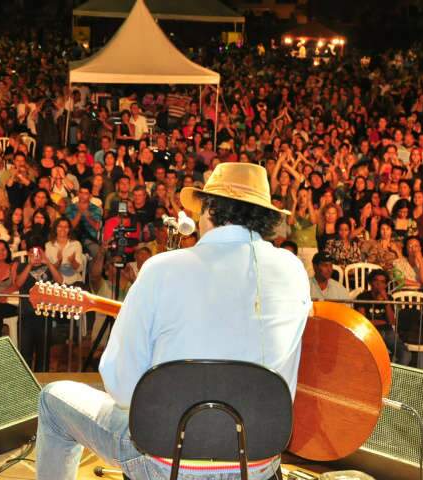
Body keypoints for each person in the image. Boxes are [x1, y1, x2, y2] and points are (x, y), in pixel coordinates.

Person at [36, 162, 311, 480]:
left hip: (165, 463)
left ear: (209, 210)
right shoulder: (292, 270)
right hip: (258, 462)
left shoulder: (160, 269)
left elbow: (122, 387)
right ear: (264, 216)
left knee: (52, 398)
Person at [14, 235, 65, 372]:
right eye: (32, 252)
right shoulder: (22, 266)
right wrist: (30, 264)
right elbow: (18, 283)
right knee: (25, 354)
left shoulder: (48, 266)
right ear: (28, 253)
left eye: (38, 252)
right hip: (26, 315)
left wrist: (47, 262)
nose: (36, 255)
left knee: (43, 355)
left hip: (45, 317)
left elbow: (60, 281)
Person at [356, 270, 410, 364]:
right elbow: (363, 321)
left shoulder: (388, 298)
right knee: (374, 358)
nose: (378, 284)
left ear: (385, 285)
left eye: (382, 282)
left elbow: (392, 321)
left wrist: (386, 301)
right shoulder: (362, 297)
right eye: (376, 281)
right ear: (370, 282)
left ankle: (393, 377)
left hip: (388, 332)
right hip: (369, 332)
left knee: (406, 355)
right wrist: (383, 322)